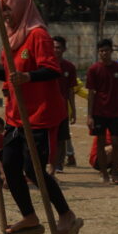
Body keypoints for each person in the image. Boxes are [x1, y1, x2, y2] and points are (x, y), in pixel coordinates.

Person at [0, 0, 80, 234]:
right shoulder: (10, 37)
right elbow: (11, 74)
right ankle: (29, 216)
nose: (5, 15)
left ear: (22, 7)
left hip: (41, 115)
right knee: (9, 166)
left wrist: (28, 77)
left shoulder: (38, 35)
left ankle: (66, 214)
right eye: (2, 10)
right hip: (16, 116)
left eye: (8, 9)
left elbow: (52, 69)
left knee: (33, 168)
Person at [86, 39, 118, 184]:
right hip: (99, 112)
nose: (104, 53)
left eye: (106, 50)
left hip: (116, 112)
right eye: (101, 51)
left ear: (111, 51)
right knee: (100, 143)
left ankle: (115, 173)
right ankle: (104, 173)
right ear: (98, 52)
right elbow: (91, 93)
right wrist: (89, 115)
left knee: (117, 143)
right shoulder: (93, 69)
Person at [51, 36, 78, 175]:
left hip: (62, 109)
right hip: (46, 108)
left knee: (61, 138)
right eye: (54, 47)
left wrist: (73, 110)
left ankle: (58, 164)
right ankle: (48, 162)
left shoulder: (69, 67)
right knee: (47, 137)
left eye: (59, 47)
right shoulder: (44, 65)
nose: (56, 50)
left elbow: (70, 91)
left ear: (64, 49)